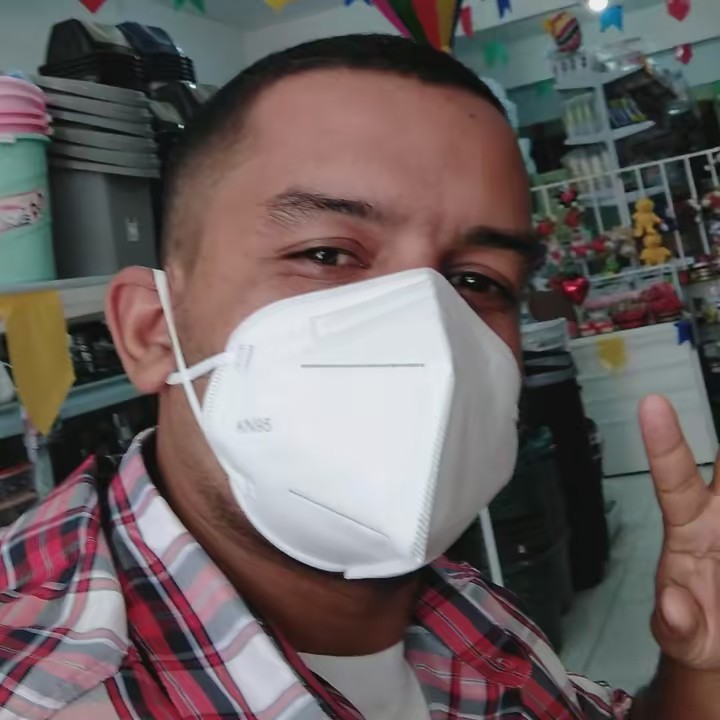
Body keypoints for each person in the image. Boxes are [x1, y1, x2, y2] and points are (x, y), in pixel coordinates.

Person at [0, 35, 718, 720]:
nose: (426, 336)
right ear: (153, 331)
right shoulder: (47, 689)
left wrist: (700, 668)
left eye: (477, 280)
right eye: (327, 255)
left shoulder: (456, 606)